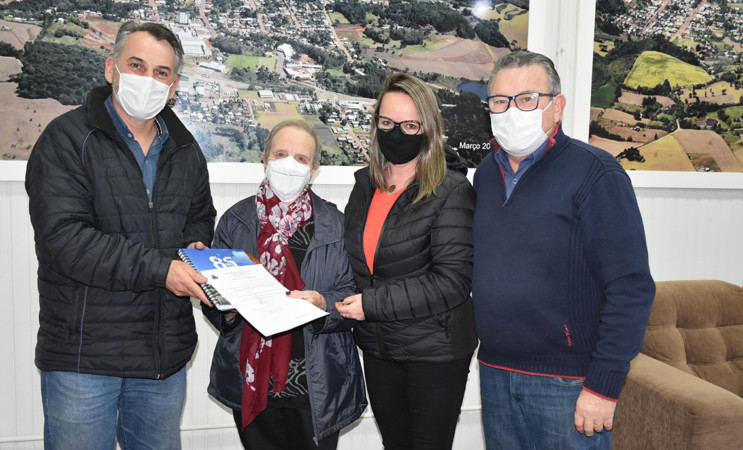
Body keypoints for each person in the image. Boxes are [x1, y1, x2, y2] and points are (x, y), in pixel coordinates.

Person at [24, 21, 216, 449]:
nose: (148, 80)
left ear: (173, 85)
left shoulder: (186, 150)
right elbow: (65, 240)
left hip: (162, 359)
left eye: (161, 72)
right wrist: (162, 268)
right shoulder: (67, 139)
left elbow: (200, 218)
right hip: (84, 357)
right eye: (137, 65)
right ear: (111, 69)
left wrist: (197, 249)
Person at [472, 50, 656, 449]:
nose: (511, 111)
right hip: (495, 372)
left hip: (568, 383)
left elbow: (631, 287)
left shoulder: (596, 173)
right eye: (500, 101)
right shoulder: (486, 174)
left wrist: (603, 387)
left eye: (527, 99)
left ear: (557, 107)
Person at [203, 119, 367, 450]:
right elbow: (213, 299)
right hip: (252, 378)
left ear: (315, 168)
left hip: (317, 382)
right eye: (280, 153)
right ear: (264, 158)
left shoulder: (337, 225)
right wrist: (229, 308)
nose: (289, 165)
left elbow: (353, 295)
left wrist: (321, 303)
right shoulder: (234, 221)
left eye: (301, 158)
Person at [336, 72, 477, 450]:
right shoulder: (365, 185)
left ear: (428, 129)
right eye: (387, 123)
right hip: (379, 347)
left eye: (410, 125)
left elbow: (452, 282)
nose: (396, 132)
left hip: (435, 350)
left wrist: (371, 304)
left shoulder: (451, 189)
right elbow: (357, 266)